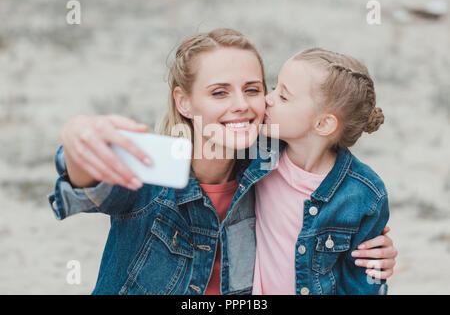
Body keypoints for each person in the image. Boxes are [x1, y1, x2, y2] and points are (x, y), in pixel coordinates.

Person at [48, 29, 397, 295]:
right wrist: (77, 137)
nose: (241, 105)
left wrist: (370, 254)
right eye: (219, 92)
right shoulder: (157, 167)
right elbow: (84, 179)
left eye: (253, 89)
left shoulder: (268, 166)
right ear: (184, 102)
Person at [253, 48, 393, 294]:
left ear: (323, 124)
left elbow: (363, 279)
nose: (268, 98)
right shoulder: (258, 155)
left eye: (283, 96)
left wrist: (379, 263)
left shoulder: (364, 195)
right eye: (274, 87)